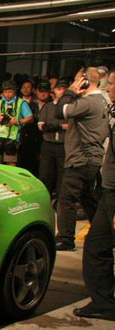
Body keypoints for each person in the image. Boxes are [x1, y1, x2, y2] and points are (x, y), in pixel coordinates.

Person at [54, 67, 109, 251]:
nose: (74, 84)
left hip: (81, 159)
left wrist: (70, 92)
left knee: (67, 199)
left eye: (77, 80)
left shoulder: (88, 102)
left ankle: (65, 239)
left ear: (84, 82)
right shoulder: (101, 100)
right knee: (88, 199)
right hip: (91, 159)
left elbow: (59, 111)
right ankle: (105, 234)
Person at [75, 70, 115, 320]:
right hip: (109, 192)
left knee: (97, 246)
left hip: (114, 196)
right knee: (97, 246)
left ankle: (104, 302)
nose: (108, 88)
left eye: (111, 84)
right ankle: (104, 301)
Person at [37, 78, 68, 202]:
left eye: (65, 89)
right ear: (54, 91)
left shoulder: (70, 107)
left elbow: (71, 126)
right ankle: (44, 199)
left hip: (63, 144)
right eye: (59, 89)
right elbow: (41, 126)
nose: (62, 91)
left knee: (62, 174)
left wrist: (52, 127)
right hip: (48, 144)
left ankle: (59, 201)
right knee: (45, 173)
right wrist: (60, 126)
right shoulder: (48, 106)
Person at [0, 80, 33, 165]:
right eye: (5, 92)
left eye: (10, 92)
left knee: (11, 166)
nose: (7, 94)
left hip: (11, 140)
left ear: (14, 91)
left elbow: (30, 118)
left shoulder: (21, 103)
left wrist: (17, 121)